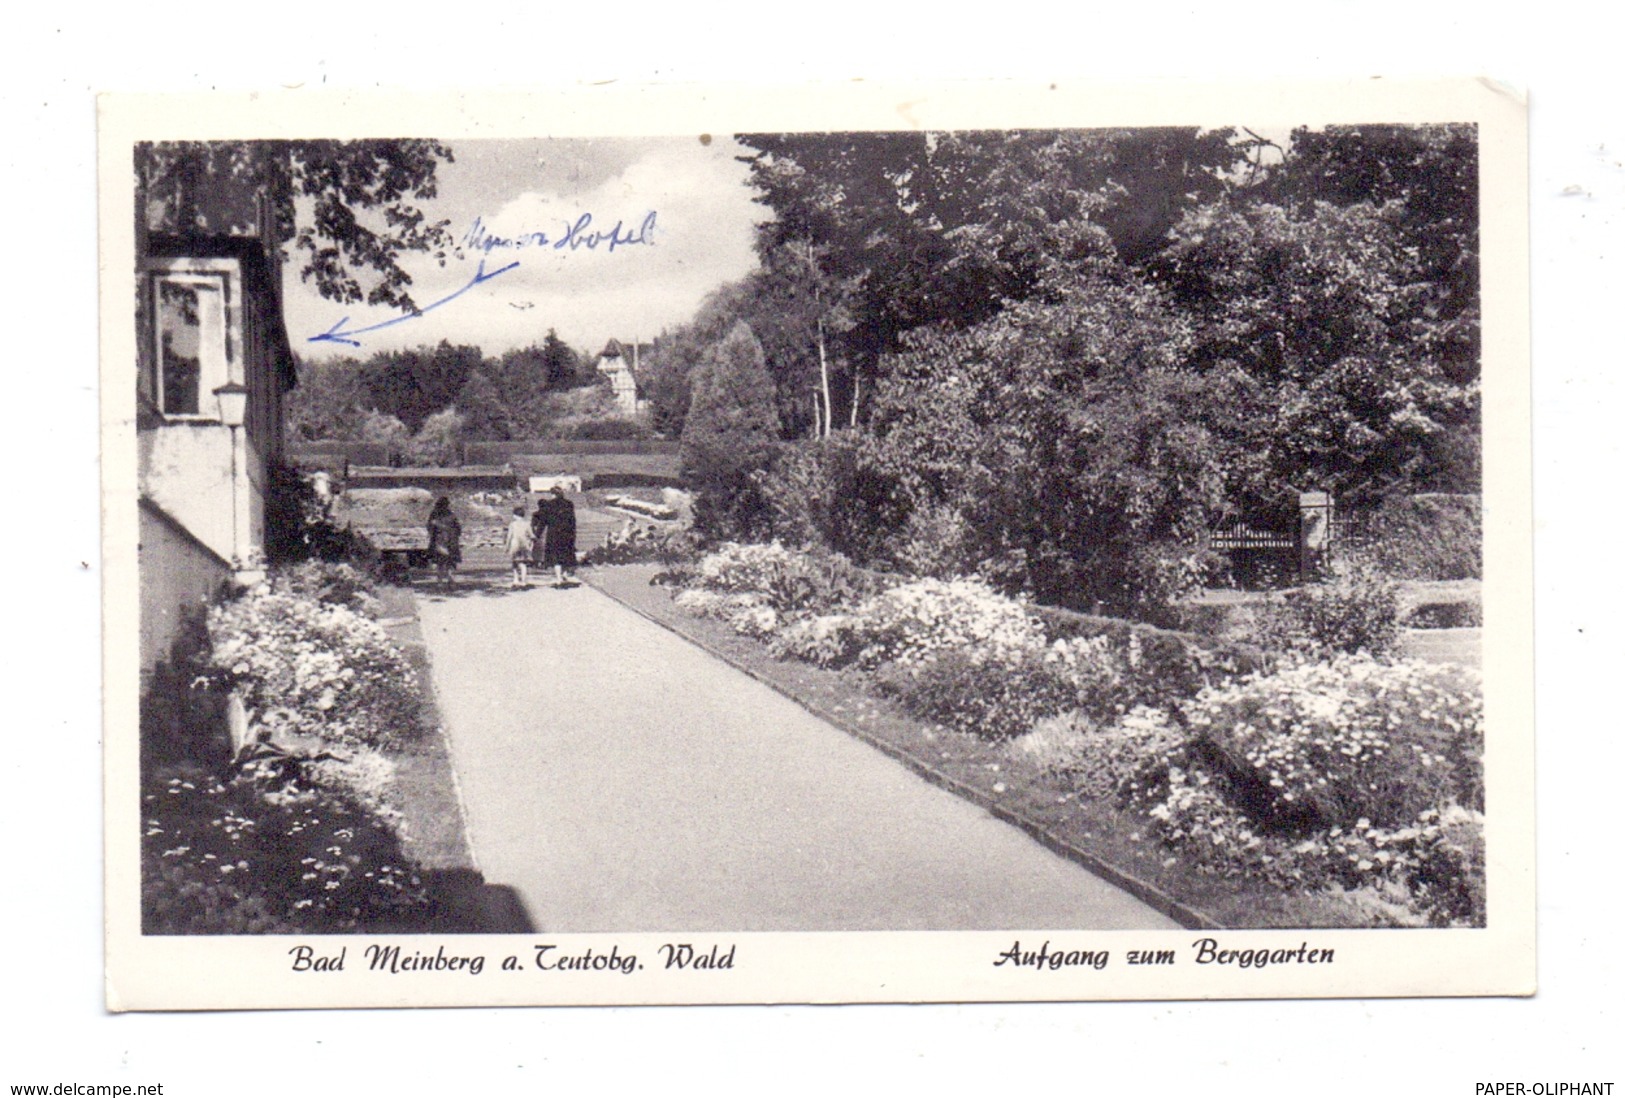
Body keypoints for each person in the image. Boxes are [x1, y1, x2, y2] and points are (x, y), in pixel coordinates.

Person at [532, 484, 578, 587]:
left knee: (556, 556)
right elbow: (572, 520)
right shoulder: (569, 504)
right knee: (566, 554)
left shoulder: (549, 505)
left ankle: (558, 579)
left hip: (554, 534)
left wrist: (537, 535)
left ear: (553, 494)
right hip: (567, 533)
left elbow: (543, 522)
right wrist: (573, 534)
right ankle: (564, 574)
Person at [425, 496, 462, 590]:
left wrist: (436, 528)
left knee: (441, 563)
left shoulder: (435, 515)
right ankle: (450, 582)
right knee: (449, 563)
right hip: (450, 542)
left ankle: (442, 582)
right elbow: (458, 530)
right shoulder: (451, 515)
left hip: (441, 541)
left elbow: (430, 527)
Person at [504, 505, 535, 589]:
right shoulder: (527, 524)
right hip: (524, 545)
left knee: (514, 563)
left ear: (515, 515)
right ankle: (524, 581)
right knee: (523, 563)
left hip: (515, 545)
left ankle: (516, 579)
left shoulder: (512, 524)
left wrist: (507, 547)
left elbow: (509, 536)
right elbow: (532, 535)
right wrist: (531, 544)